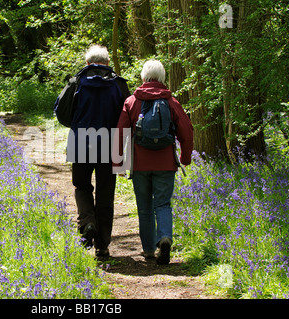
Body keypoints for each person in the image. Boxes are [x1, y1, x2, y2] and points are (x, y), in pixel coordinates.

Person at [113, 60, 193, 265]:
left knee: (144, 207)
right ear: (162, 78)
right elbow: (186, 130)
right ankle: (165, 237)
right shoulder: (172, 102)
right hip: (165, 163)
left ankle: (148, 250)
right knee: (163, 204)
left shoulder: (131, 102)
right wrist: (185, 157)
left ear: (143, 77)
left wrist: (118, 162)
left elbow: (120, 132)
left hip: (140, 164)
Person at [54, 44, 130, 258]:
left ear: (87, 63)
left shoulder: (76, 82)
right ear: (107, 63)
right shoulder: (119, 84)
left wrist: (76, 125)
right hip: (110, 144)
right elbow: (129, 114)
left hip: (81, 142)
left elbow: (61, 112)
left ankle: (87, 221)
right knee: (106, 194)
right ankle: (102, 246)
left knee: (81, 186)